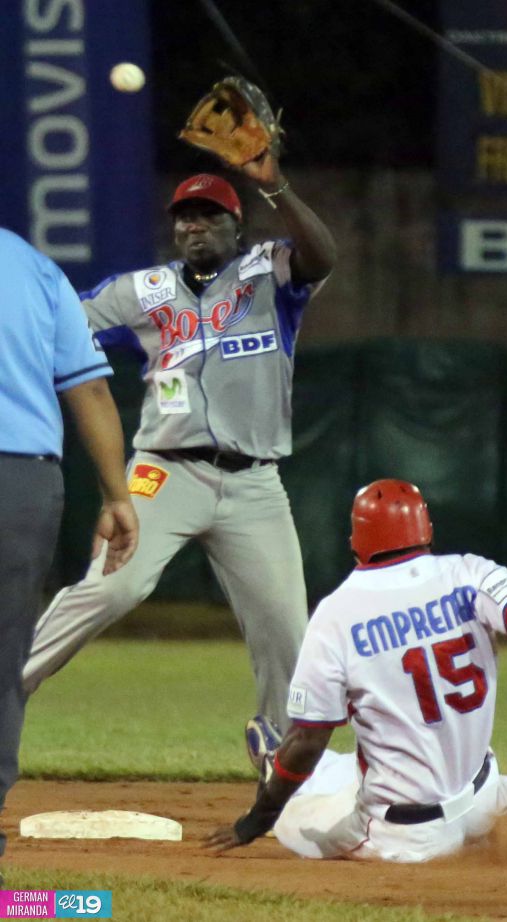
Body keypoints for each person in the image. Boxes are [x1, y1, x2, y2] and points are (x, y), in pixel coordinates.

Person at [21, 151, 336, 733]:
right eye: (185, 216)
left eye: (209, 215)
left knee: (286, 626)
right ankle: (8, 685)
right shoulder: (141, 291)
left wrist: (277, 187)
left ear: (237, 227)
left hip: (255, 483)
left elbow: (324, 256)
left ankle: (281, 752)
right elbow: (58, 328)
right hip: (164, 474)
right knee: (114, 589)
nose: (194, 225)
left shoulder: (270, 273)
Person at [205, 478, 507, 863]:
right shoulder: (468, 573)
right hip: (484, 797)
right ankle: (293, 767)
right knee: (348, 766)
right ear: (426, 527)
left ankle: (274, 768)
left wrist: (256, 822)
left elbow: (310, 739)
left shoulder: (336, 614)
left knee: (299, 810)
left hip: (408, 837)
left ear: (355, 541)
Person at [0, 227, 139, 864]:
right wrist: (118, 495)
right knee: (2, 664)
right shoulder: (34, 269)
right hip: (20, 486)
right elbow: (89, 389)